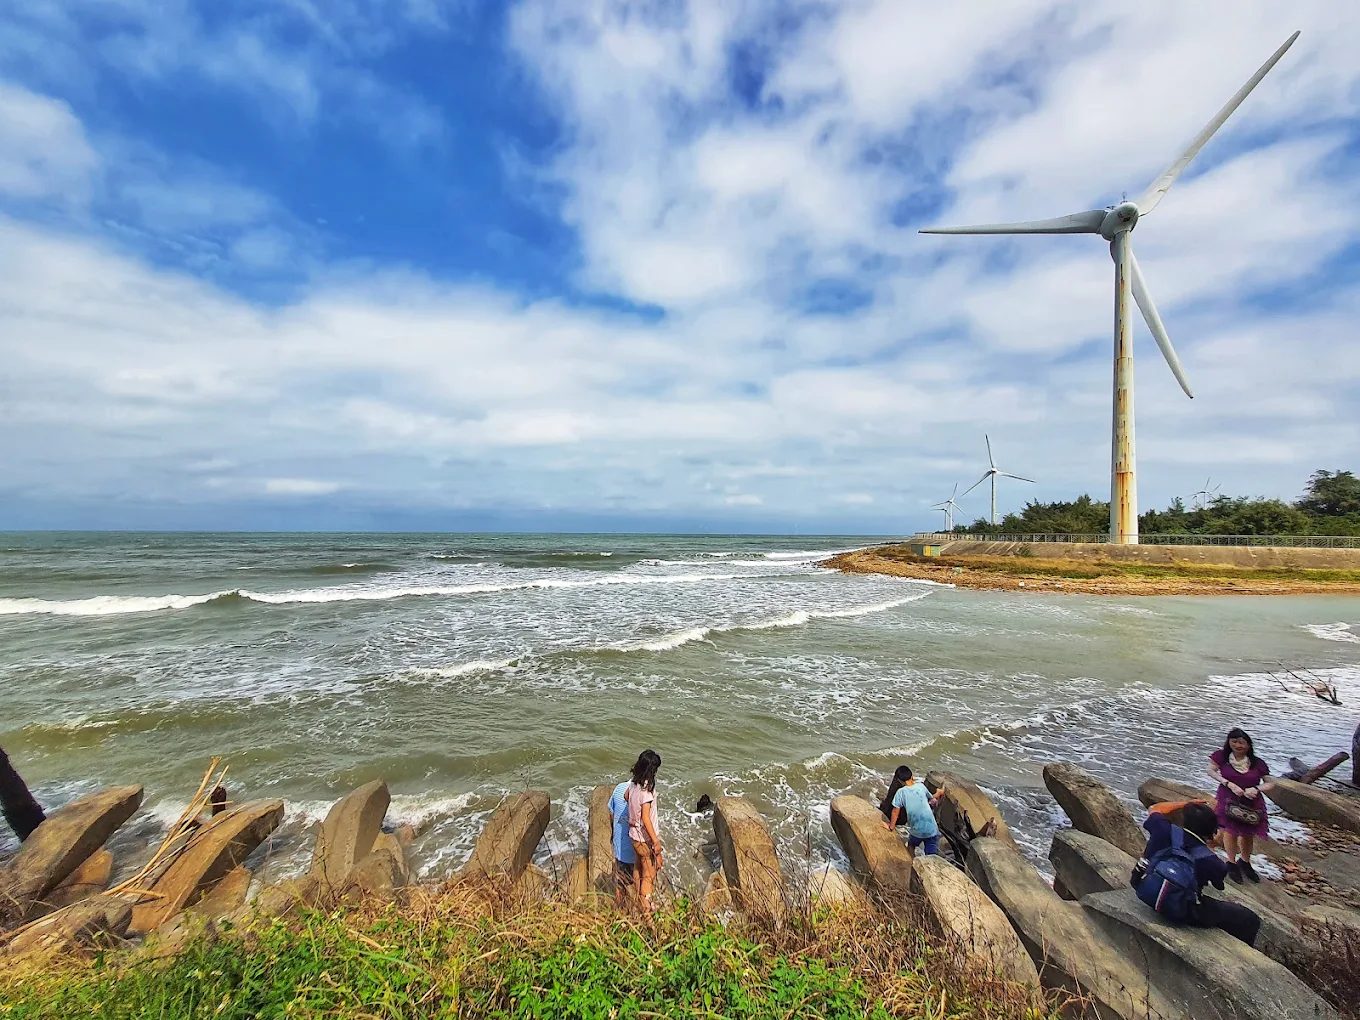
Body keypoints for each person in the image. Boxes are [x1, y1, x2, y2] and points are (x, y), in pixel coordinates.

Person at [1133, 801, 1261, 946]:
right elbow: (1219, 886)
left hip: (1142, 885)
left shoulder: (1162, 828)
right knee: (1249, 919)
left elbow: (1154, 809)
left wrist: (1188, 803)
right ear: (1212, 832)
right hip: (1182, 910)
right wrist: (1211, 847)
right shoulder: (1211, 860)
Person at [1207, 728, 1272, 883]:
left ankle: (1245, 860)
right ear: (1229, 742)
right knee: (1230, 830)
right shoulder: (1221, 757)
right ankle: (1231, 861)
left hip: (1251, 800)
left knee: (1248, 832)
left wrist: (1256, 789)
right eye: (1234, 741)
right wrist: (1227, 783)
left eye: (1241, 742)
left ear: (1248, 745)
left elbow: (1270, 784)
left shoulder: (1257, 763)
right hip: (1228, 797)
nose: (1238, 745)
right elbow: (1210, 770)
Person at [625, 749, 664, 912]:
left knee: (638, 867)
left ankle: (636, 902)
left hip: (634, 835)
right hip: (644, 838)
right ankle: (646, 912)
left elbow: (626, 796)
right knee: (649, 875)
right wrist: (655, 842)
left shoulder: (633, 785)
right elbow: (646, 819)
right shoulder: (646, 792)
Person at [881, 764, 941, 856]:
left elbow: (895, 811)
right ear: (912, 776)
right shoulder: (921, 786)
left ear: (900, 781)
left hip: (917, 831)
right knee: (931, 855)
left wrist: (891, 827)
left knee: (911, 846)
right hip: (932, 829)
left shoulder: (900, 792)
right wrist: (939, 793)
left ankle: (912, 862)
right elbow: (931, 798)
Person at [607, 776, 636, 908]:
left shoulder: (619, 788)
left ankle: (619, 913)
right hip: (635, 848)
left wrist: (614, 832)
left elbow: (611, 812)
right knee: (637, 884)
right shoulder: (644, 793)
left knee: (620, 884)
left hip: (620, 846)